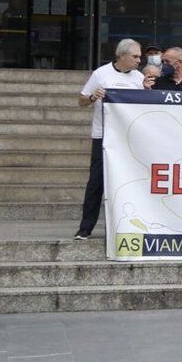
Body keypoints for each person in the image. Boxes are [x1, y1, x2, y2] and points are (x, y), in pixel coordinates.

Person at [74, 39, 145, 240]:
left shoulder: (139, 78)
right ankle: (85, 228)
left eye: (139, 56)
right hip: (103, 136)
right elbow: (81, 100)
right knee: (96, 183)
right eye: (135, 56)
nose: (139, 60)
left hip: (128, 138)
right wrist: (92, 97)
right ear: (121, 55)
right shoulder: (101, 74)